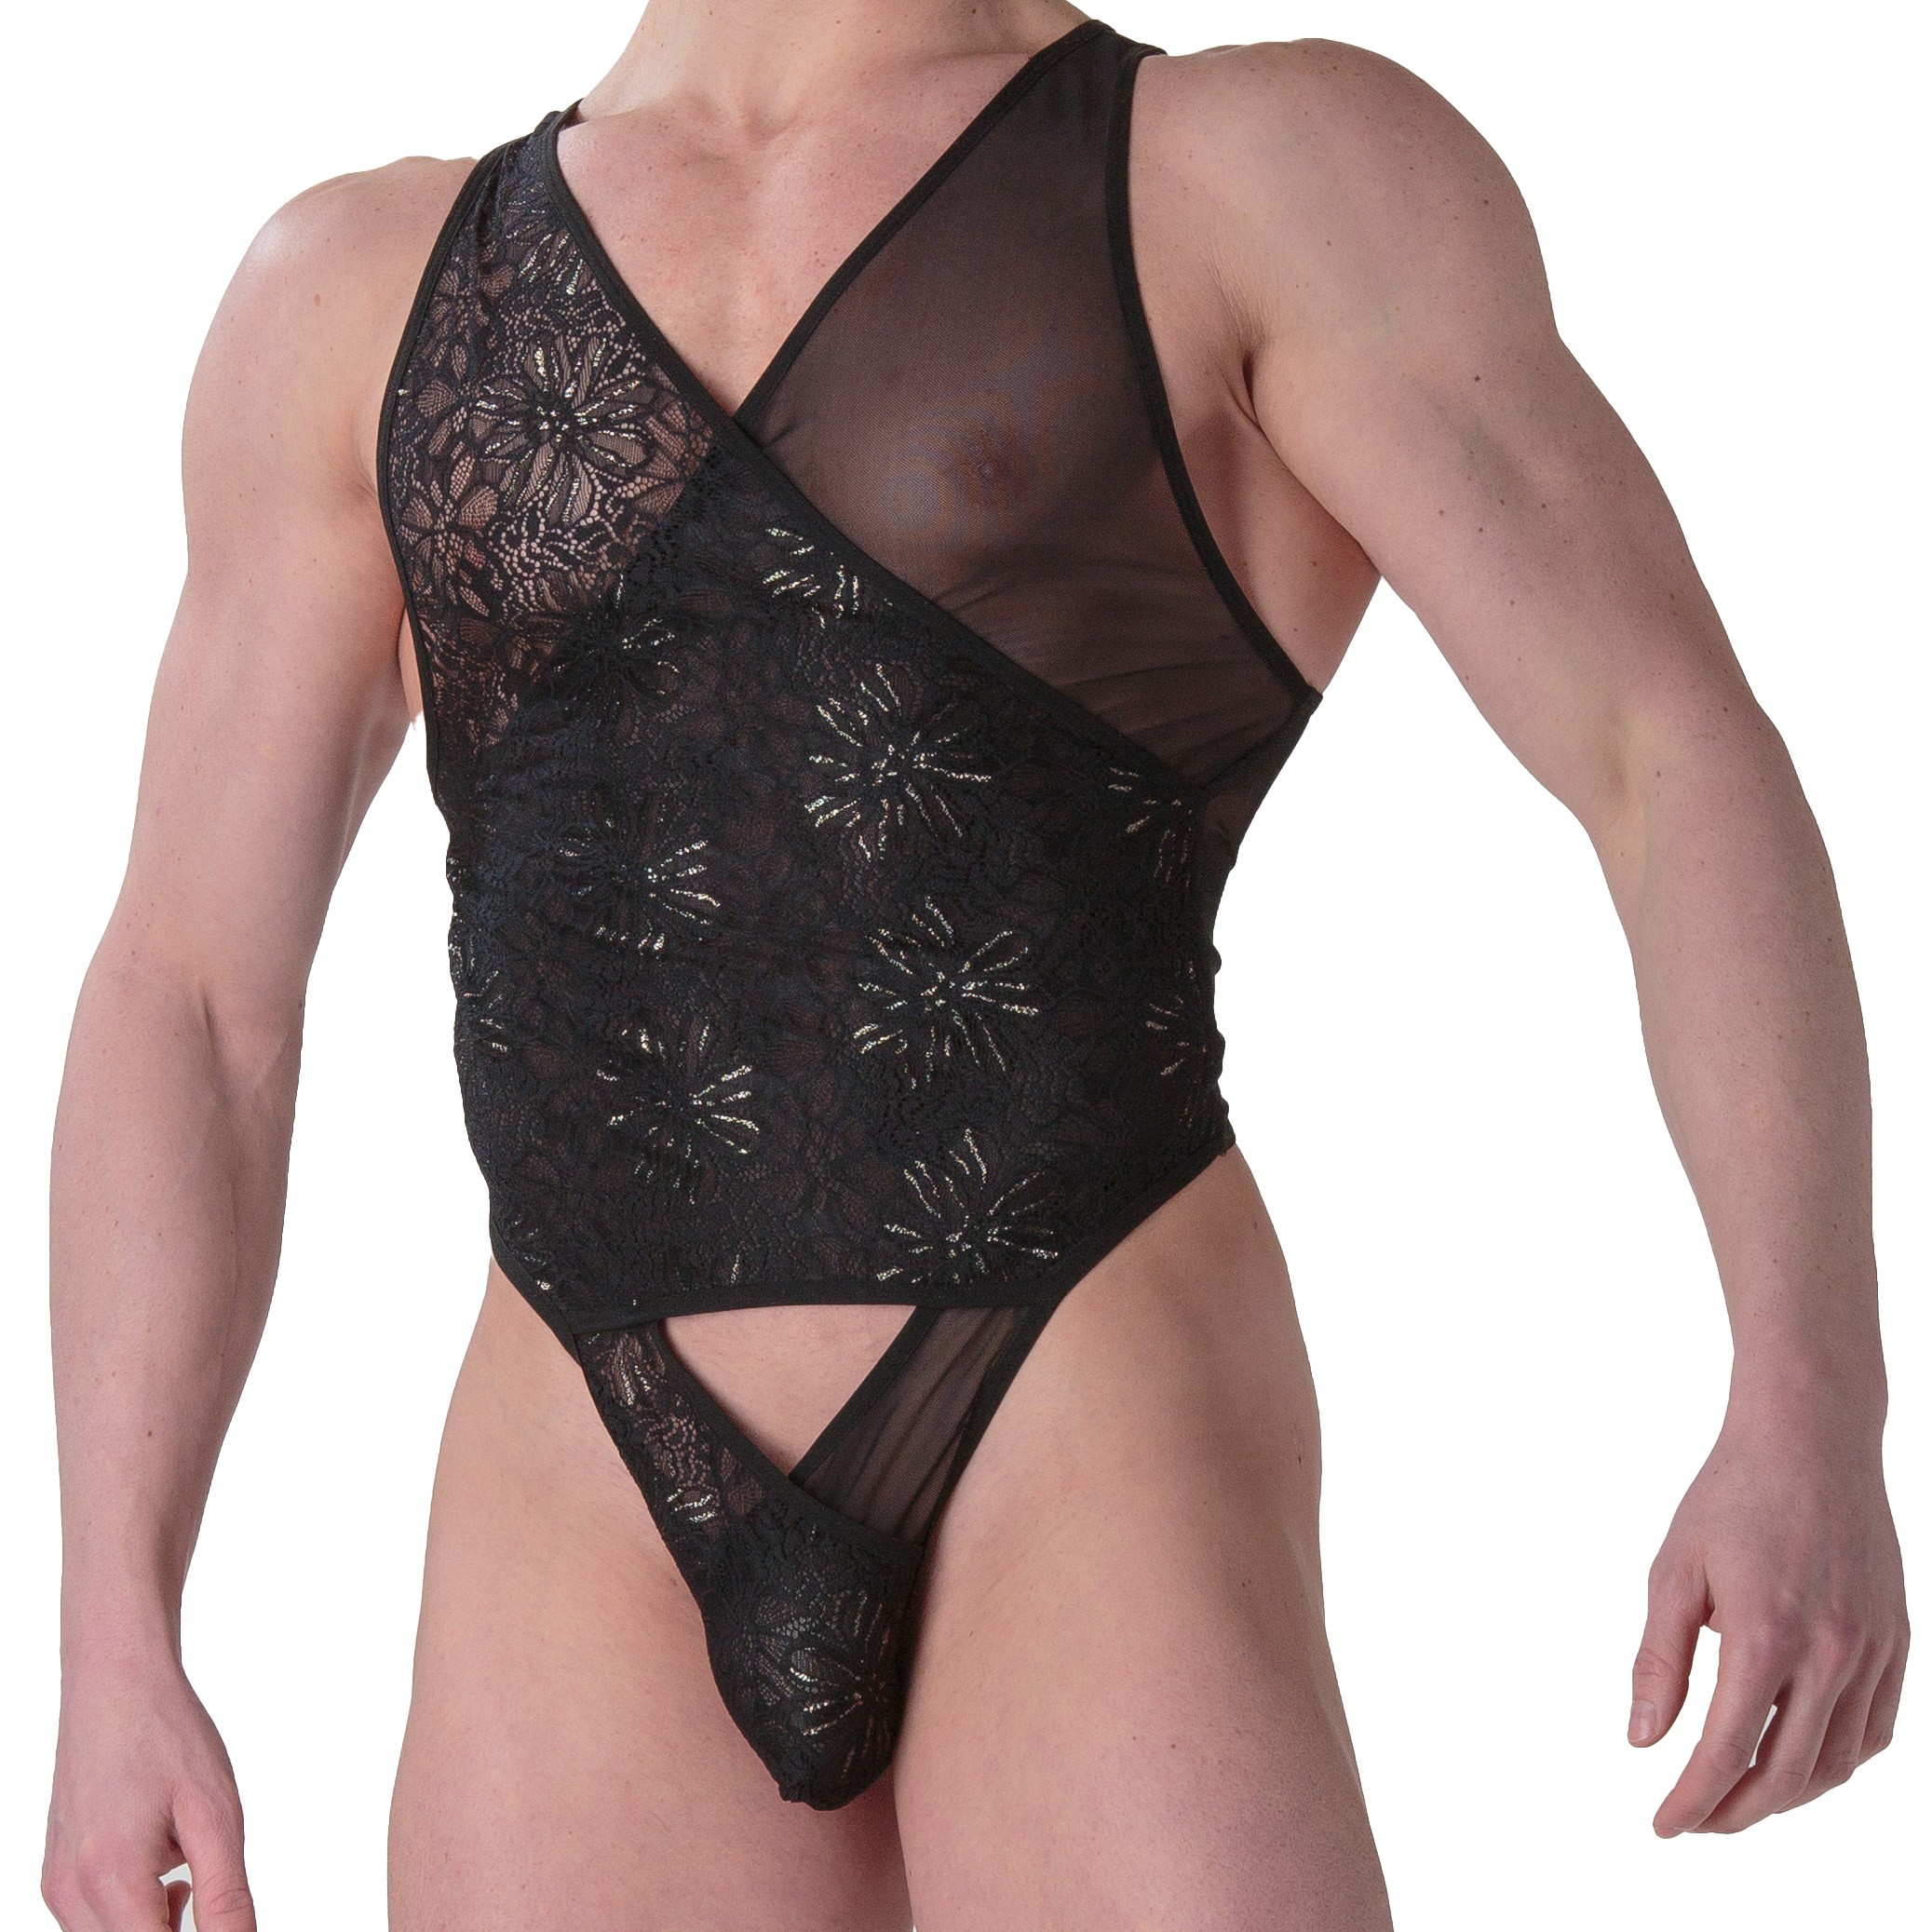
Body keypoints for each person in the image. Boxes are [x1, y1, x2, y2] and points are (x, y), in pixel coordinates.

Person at [41, 2, 1908, 1927]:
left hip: (1079, 1382)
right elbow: (192, 992)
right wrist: (112, 1626)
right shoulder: (352, 292)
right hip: (576, 1469)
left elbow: (1665, 750)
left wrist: (1809, 1394)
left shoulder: (1256, 176)